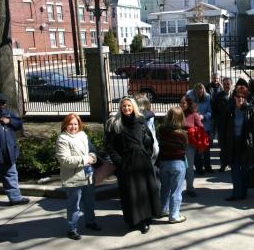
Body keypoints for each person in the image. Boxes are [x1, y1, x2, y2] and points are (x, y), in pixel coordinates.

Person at [105, 97, 159, 234]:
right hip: (126, 163)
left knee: (144, 192)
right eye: (124, 106)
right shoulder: (115, 124)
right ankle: (132, 220)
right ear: (120, 108)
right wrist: (119, 162)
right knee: (130, 193)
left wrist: (147, 153)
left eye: (129, 106)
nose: (126, 108)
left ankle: (145, 219)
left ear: (133, 107)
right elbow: (110, 146)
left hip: (142, 162)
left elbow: (149, 140)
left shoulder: (140, 121)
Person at [56, 113, 101, 240]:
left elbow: (92, 151)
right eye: (70, 124)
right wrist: (86, 159)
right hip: (73, 177)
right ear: (65, 125)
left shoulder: (83, 135)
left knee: (89, 202)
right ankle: (72, 229)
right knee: (74, 205)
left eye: (75, 124)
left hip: (88, 175)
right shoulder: (62, 139)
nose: (73, 126)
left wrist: (93, 157)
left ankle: (90, 222)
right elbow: (65, 160)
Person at [220, 85, 254, 201]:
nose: (240, 98)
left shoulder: (251, 110)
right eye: (238, 96)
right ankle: (237, 193)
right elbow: (224, 128)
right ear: (234, 97)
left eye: (243, 96)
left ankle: (243, 191)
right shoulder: (229, 109)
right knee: (235, 169)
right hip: (232, 142)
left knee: (245, 169)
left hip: (245, 143)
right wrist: (223, 144)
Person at [0, 92, 29, 206]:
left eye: (5, 103)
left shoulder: (7, 114)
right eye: (2, 103)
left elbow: (19, 123)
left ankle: (15, 198)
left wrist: (9, 121)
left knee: (11, 175)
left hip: (8, 153)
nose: (4, 105)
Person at [157, 107, 188, 223]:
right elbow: (184, 147)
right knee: (176, 190)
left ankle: (162, 210)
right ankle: (174, 215)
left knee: (164, 188)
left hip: (164, 162)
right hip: (177, 163)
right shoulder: (182, 134)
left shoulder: (161, 130)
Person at [180, 95, 203, 197]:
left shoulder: (194, 115)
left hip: (189, 144)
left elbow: (201, 128)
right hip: (178, 144)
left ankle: (190, 188)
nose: (181, 105)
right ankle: (178, 189)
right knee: (179, 168)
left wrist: (192, 131)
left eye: (183, 103)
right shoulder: (178, 114)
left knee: (189, 167)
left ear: (188, 104)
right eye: (180, 103)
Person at [187, 83, 213, 174]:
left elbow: (210, 112)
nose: (199, 93)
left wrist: (203, 116)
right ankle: (199, 169)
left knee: (206, 148)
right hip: (194, 127)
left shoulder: (208, 97)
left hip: (205, 126)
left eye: (201, 91)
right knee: (197, 148)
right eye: (197, 92)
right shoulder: (190, 97)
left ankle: (208, 167)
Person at [213, 77, 233, 172]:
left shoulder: (235, 96)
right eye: (225, 84)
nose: (226, 86)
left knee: (232, 145)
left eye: (228, 84)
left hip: (232, 125)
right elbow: (214, 109)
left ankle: (232, 164)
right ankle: (224, 164)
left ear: (231, 85)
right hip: (222, 124)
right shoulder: (218, 96)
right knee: (223, 145)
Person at [206, 72, 223, 141]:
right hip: (211, 110)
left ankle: (219, 143)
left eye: (217, 78)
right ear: (211, 78)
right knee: (211, 129)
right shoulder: (207, 87)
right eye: (214, 78)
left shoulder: (222, 87)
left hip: (219, 111)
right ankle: (210, 143)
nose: (216, 80)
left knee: (219, 129)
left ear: (219, 79)